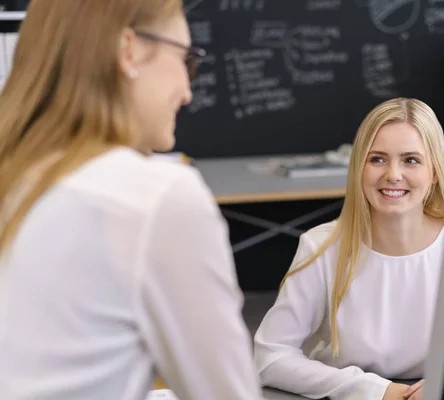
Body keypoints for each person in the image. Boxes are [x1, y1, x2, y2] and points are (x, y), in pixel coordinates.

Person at [0, 1, 262, 399]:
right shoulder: (157, 196)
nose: (188, 92)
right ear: (130, 50)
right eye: (186, 59)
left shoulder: (18, 179)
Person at [253, 97, 444, 400]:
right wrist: (379, 391)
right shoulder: (321, 246)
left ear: (435, 171)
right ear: (359, 167)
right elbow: (269, 357)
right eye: (377, 159)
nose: (393, 175)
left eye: (411, 160)